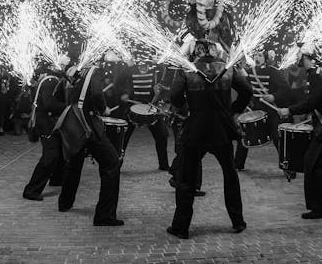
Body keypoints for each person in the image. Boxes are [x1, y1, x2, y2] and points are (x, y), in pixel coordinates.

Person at [167, 39, 252, 239]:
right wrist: (233, 111)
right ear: (214, 51)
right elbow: (247, 91)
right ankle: (238, 221)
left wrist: (186, 109)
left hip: (195, 128)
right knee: (230, 175)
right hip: (221, 129)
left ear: (196, 51)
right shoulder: (228, 68)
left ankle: (181, 228)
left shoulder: (187, 70)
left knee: (186, 179)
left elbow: (174, 96)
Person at [280, 54, 322, 220]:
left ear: (308, 58)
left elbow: (313, 101)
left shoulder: (317, 75)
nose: (297, 60)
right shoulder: (318, 72)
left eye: (300, 57)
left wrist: (290, 110)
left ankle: (319, 208)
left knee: (311, 163)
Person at [57, 65, 123, 226]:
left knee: (75, 162)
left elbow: (70, 94)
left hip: (76, 124)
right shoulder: (95, 71)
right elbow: (96, 93)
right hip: (87, 124)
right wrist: (103, 108)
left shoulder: (82, 71)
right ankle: (104, 215)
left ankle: (64, 203)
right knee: (112, 163)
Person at [234, 50, 290, 170]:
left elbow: (285, 89)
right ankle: (237, 164)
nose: (257, 57)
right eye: (255, 55)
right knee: (244, 135)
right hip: (255, 109)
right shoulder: (249, 72)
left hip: (271, 110)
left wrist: (273, 96)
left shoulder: (273, 72)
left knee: (277, 136)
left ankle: (286, 166)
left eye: (260, 55)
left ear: (265, 58)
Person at [23, 70, 68, 201]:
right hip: (46, 125)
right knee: (50, 156)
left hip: (48, 123)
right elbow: (50, 105)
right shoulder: (51, 81)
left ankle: (56, 179)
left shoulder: (51, 80)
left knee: (58, 152)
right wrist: (68, 106)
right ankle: (31, 190)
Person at [121, 60, 170, 171]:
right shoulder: (130, 69)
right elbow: (121, 83)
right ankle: (116, 164)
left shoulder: (155, 70)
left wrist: (159, 92)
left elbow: (163, 87)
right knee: (123, 137)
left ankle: (164, 165)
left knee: (162, 135)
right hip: (133, 107)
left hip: (150, 107)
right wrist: (125, 94)